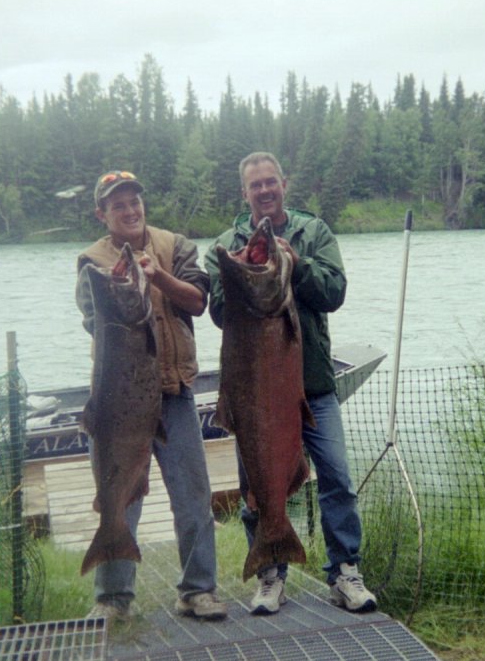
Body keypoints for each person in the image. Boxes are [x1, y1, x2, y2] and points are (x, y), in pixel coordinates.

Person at [204, 151, 377, 615]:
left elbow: (334, 292)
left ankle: (345, 573)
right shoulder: (225, 243)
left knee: (337, 478)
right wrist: (238, 271)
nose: (264, 191)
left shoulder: (314, 232)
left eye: (270, 182)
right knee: (255, 485)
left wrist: (296, 266)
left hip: (315, 388)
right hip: (253, 394)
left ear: (283, 184)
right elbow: (220, 312)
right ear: (244, 193)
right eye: (254, 185)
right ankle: (269, 573)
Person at [76, 170, 227, 623]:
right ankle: (113, 597)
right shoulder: (89, 260)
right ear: (102, 214)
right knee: (119, 498)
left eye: (134, 201)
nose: (129, 210)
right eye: (117, 205)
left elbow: (199, 301)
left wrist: (156, 276)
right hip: (118, 403)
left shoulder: (175, 245)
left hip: (175, 395)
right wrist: (123, 286)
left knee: (193, 497)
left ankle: (198, 590)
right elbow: (94, 318)